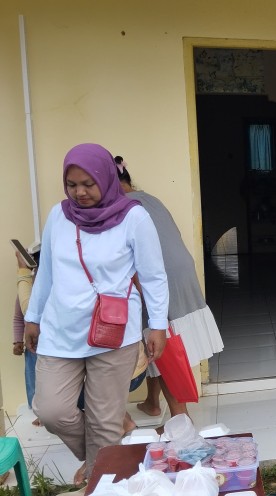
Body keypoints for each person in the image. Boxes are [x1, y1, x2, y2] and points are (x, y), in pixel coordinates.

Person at [23, 143, 169, 487]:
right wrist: (33, 316)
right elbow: (47, 272)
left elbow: (153, 276)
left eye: (88, 184)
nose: (80, 192)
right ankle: (99, 459)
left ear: (105, 178)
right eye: (72, 184)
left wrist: (157, 325)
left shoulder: (134, 217)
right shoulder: (58, 216)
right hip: (61, 330)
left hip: (113, 332)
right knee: (51, 410)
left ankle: (99, 478)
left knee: (105, 422)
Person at [115, 156, 224, 420]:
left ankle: (180, 417)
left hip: (157, 276)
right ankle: (152, 401)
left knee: (162, 346)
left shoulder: (120, 209)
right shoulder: (151, 199)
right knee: (160, 340)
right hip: (182, 269)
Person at [11, 242, 40, 425]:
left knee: (48, 381)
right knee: (33, 379)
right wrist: (17, 341)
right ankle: (37, 410)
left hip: (48, 345)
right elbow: (18, 317)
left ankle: (45, 412)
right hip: (31, 346)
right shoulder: (24, 288)